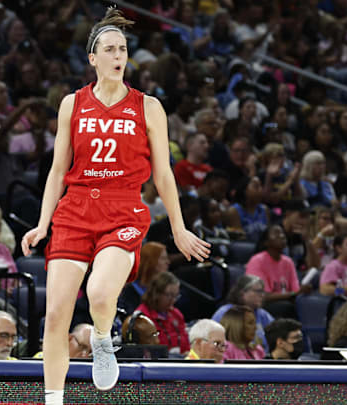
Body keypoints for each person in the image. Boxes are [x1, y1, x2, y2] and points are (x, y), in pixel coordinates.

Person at [20, 9, 210, 403]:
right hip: (74, 211)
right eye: (109, 49)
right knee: (55, 314)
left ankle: (103, 338)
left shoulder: (148, 107)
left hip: (122, 209)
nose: (117, 55)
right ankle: (53, 399)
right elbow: (57, 171)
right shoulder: (73, 104)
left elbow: (163, 175)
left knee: (100, 294)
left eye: (122, 48)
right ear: (92, 58)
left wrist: (178, 228)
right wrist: (42, 224)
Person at [212, 275, 275, 352]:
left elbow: (277, 334)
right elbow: (214, 340)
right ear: (242, 293)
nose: (262, 295)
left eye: (263, 291)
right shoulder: (225, 312)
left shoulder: (263, 314)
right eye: (258, 291)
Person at [135, 272, 190, 355]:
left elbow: (186, 343)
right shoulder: (142, 316)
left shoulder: (176, 314)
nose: (173, 300)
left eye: (176, 296)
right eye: (169, 295)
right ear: (156, 293)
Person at [117, 242, 170, 316]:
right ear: (151, 261)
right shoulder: (129, 290)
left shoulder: (163, 288)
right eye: (163, 258)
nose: (168, 262)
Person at [31, 323, 95, 359]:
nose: (85, 356)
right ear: (68, 339)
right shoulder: (42, 360)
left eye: (90, 353)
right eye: (82, 347)